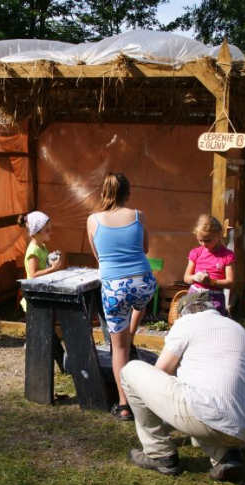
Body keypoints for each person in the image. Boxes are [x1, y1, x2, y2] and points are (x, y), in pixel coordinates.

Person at [121, 292, 245, 481]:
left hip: (212, 416)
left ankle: (159, 453)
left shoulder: (187, 324)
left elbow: (160, 372)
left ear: (183, 313)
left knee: (131, 371)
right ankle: (226, 455)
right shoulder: (238, 328)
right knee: (205, 397)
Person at [86, 172, 156, 421]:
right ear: (128, 194)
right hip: (143, 282)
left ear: (103, 193)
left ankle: (124, 405)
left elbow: (99, 257)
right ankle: (132, 332)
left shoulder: (92, 220)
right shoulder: (139, 216)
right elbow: (145, 249)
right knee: (140, 302)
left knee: (118, 348)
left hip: (115, 288)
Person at [183, 214, 235, 316]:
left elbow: (230, 283)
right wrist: (195, 277)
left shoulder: (227, 255)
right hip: (195, 294)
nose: (203, 244)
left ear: (218, 234)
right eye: (200, 240)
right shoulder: (196, 252)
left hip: (215, 298)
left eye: (207, 240)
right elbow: (186, 278)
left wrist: (211, 282)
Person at [18, 211, 63, 311]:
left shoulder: (42, 246)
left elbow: (45, 263)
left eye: (51, 229)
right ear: (36, 233)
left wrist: (52, 257)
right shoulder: (33, 251)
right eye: (47, 230)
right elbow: (34, 275)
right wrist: (53, 268)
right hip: (35, 296)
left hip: (42, 292)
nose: (51, 232)